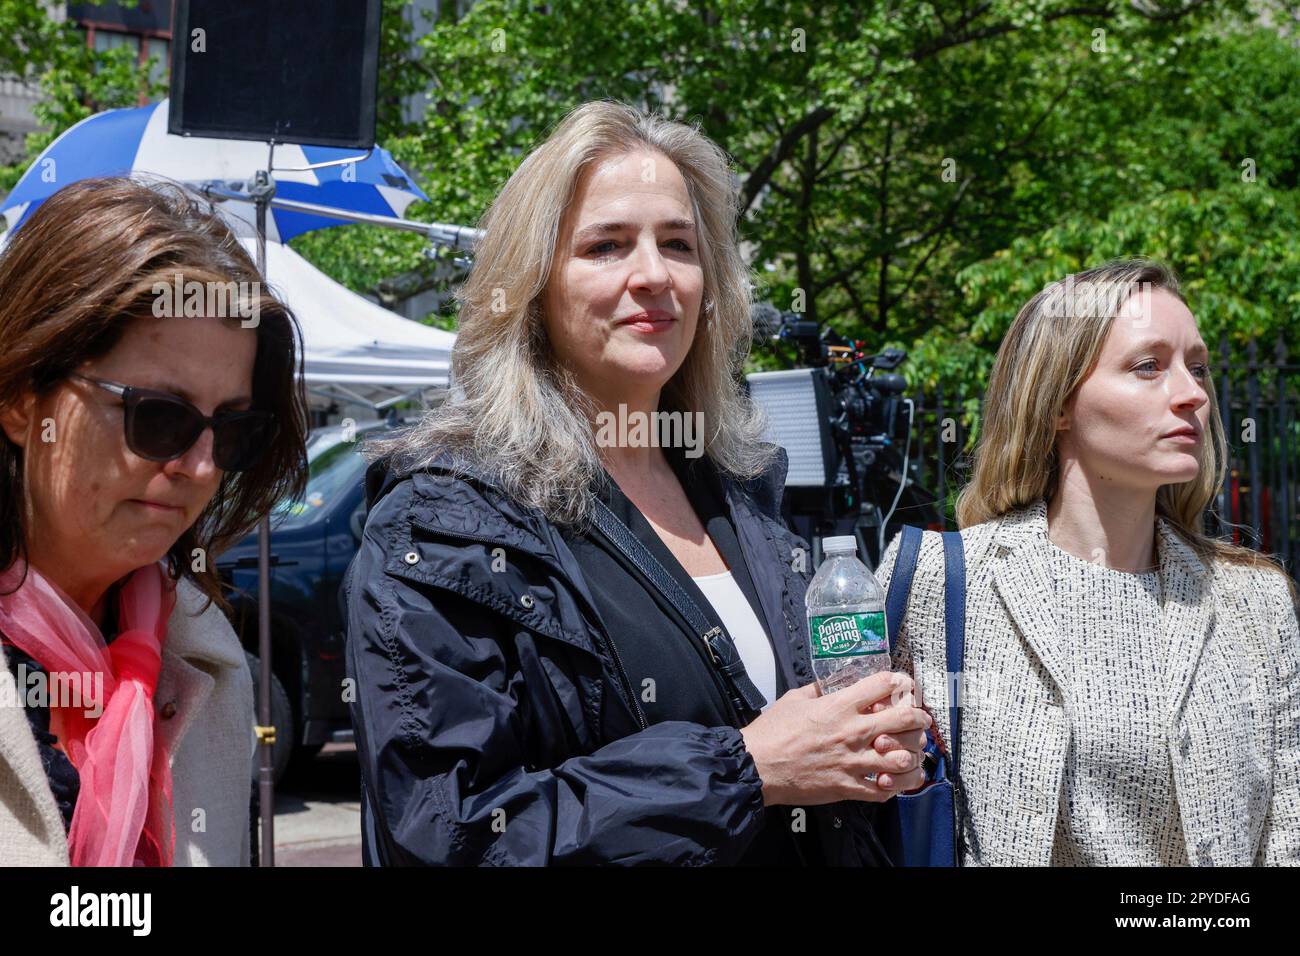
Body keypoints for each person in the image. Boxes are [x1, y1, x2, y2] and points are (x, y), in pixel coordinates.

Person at [345, 100, 932, 866]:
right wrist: (745, 769)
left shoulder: (744, 493)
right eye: (607, 245)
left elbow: (804, 761)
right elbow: (451, 834)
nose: (652, 274)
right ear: (533, 285)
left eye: (679, 245)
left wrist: (872, 753)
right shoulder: (442, 523)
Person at [875, 259, 1300, 866]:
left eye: (1197, 367)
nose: (1192, 394)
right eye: (1148, 366)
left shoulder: (1256, 605)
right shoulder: (939, 582)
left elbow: (1289, 836)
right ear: (1057, 403)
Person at [0, 176, 308, 865]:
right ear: (22, 399)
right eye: (159, 417)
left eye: (231, 431)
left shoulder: (209, 659)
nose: (201, 467)